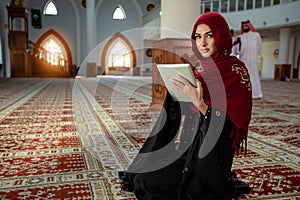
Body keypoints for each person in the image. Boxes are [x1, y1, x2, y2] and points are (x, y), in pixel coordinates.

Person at [119, 12, 252, 200]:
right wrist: (177, 94)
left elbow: (230, 126)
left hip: (211, 160)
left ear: (221, 36)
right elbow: (187, 111)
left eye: (209, 35)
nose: (203, 43)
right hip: (190, 148)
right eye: (198, 36)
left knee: (154, 184)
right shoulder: (200, 68)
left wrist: (200, 104)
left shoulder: (236, 71)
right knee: (143, 176)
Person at [237, 19, 263, 99]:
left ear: (249, 26)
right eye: (243, 26)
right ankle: (243, 94)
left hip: (253, 60)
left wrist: (253, 55)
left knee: (254, 76)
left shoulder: (256, 35)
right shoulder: (239, 37)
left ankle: (257, 94)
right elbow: (237, 51)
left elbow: (259, 47)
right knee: (244, 76)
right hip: (243, 60)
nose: (245, 27)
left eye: (246, 25)